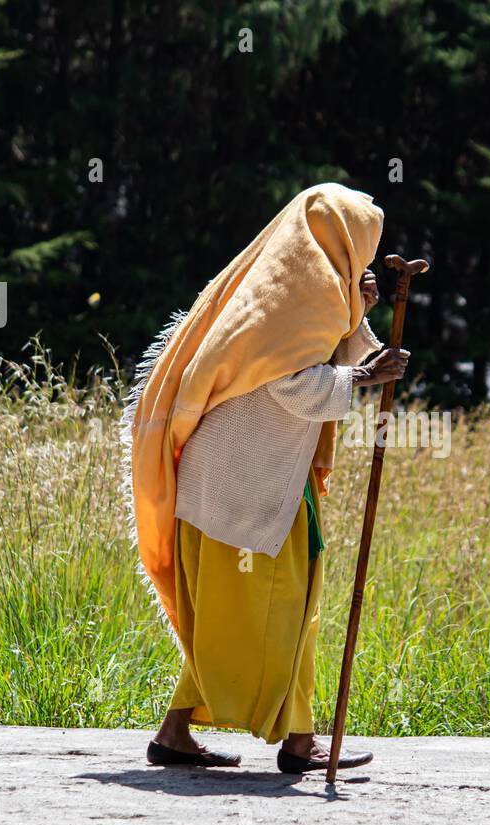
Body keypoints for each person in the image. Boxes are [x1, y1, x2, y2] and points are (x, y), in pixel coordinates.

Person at [124, 183, 409, 772]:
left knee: (246, 612)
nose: (367, 258)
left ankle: (183, 732)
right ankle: (296, 740)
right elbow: (296, 384)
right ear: (341, 241)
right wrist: (364, 379)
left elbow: (321, 350)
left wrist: (359, 316)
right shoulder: (299, 297)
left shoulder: (300, 288)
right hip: (246, 486)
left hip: (242, 482)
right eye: (363, 246)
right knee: (283, 607)